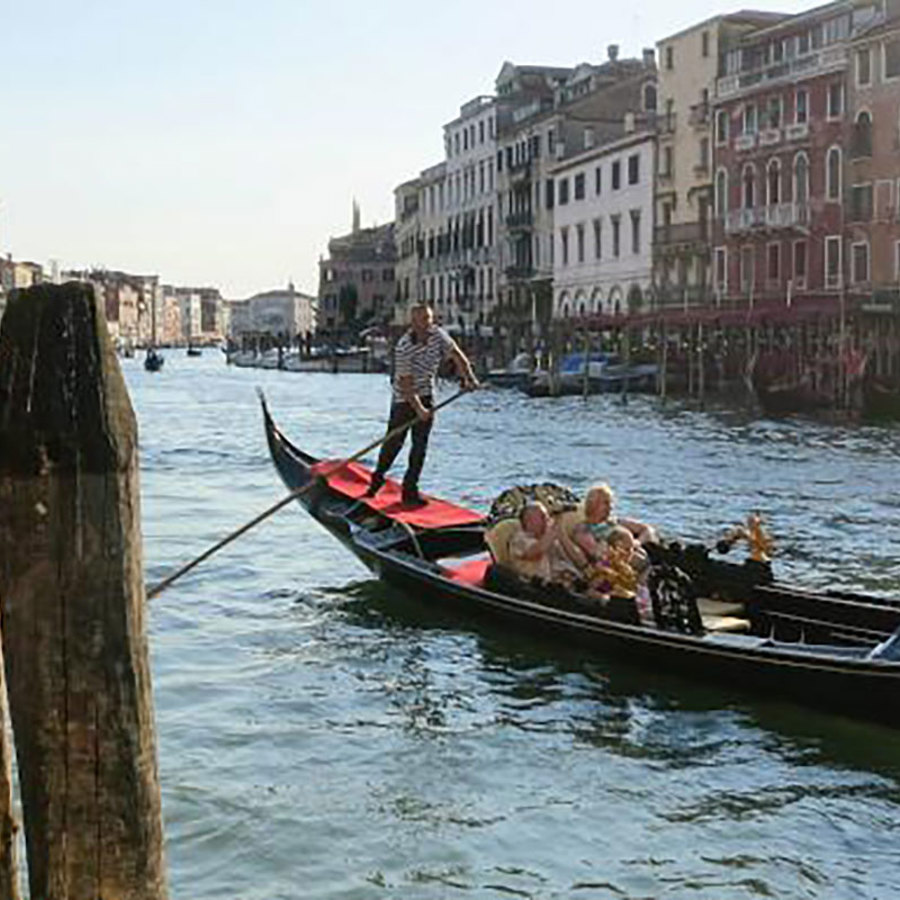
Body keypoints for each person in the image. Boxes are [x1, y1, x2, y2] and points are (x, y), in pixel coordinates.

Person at [365, 303, 478, 507]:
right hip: (404, 399)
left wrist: (469, 378)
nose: (427, 324)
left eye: (429, 319)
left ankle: (410, 490)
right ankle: (377, 479)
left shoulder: (438, 335)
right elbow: (405, 384)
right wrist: (419, 409)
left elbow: (457, 354)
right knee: (394, 443)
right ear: (413, 322)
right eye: (422, 320)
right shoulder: (404, 346)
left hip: (427, 394)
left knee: (420, 446)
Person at [558, 483, 657, 573]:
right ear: (593, 504)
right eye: (606, 503)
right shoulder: (584, 530)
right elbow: (597, 554)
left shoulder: (614, 522)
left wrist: (637, 542)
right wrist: (625, 553)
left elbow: (648, 530)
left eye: (611, 503)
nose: (610, 507)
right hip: (615, 570)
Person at [508, 502, 558, 582]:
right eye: (543, 516)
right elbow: (535, 553)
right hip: (535, 584)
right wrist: (554, 530)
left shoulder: (547, 537)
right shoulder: (519, 539)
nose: (548, 519)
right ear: (529, 521)